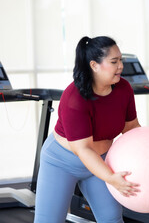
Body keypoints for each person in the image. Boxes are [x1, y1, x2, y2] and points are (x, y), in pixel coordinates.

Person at [34, 36, 141, 223]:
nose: (121, 66)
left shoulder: (124, 89)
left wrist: (147, 154)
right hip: (61, 162)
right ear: (94, 65)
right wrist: (111, 178)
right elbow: (82, 149)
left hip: (102, 160)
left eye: (121, 60)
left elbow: (131, 128)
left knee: (112, 219)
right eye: (114, 62)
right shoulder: (74, 97)